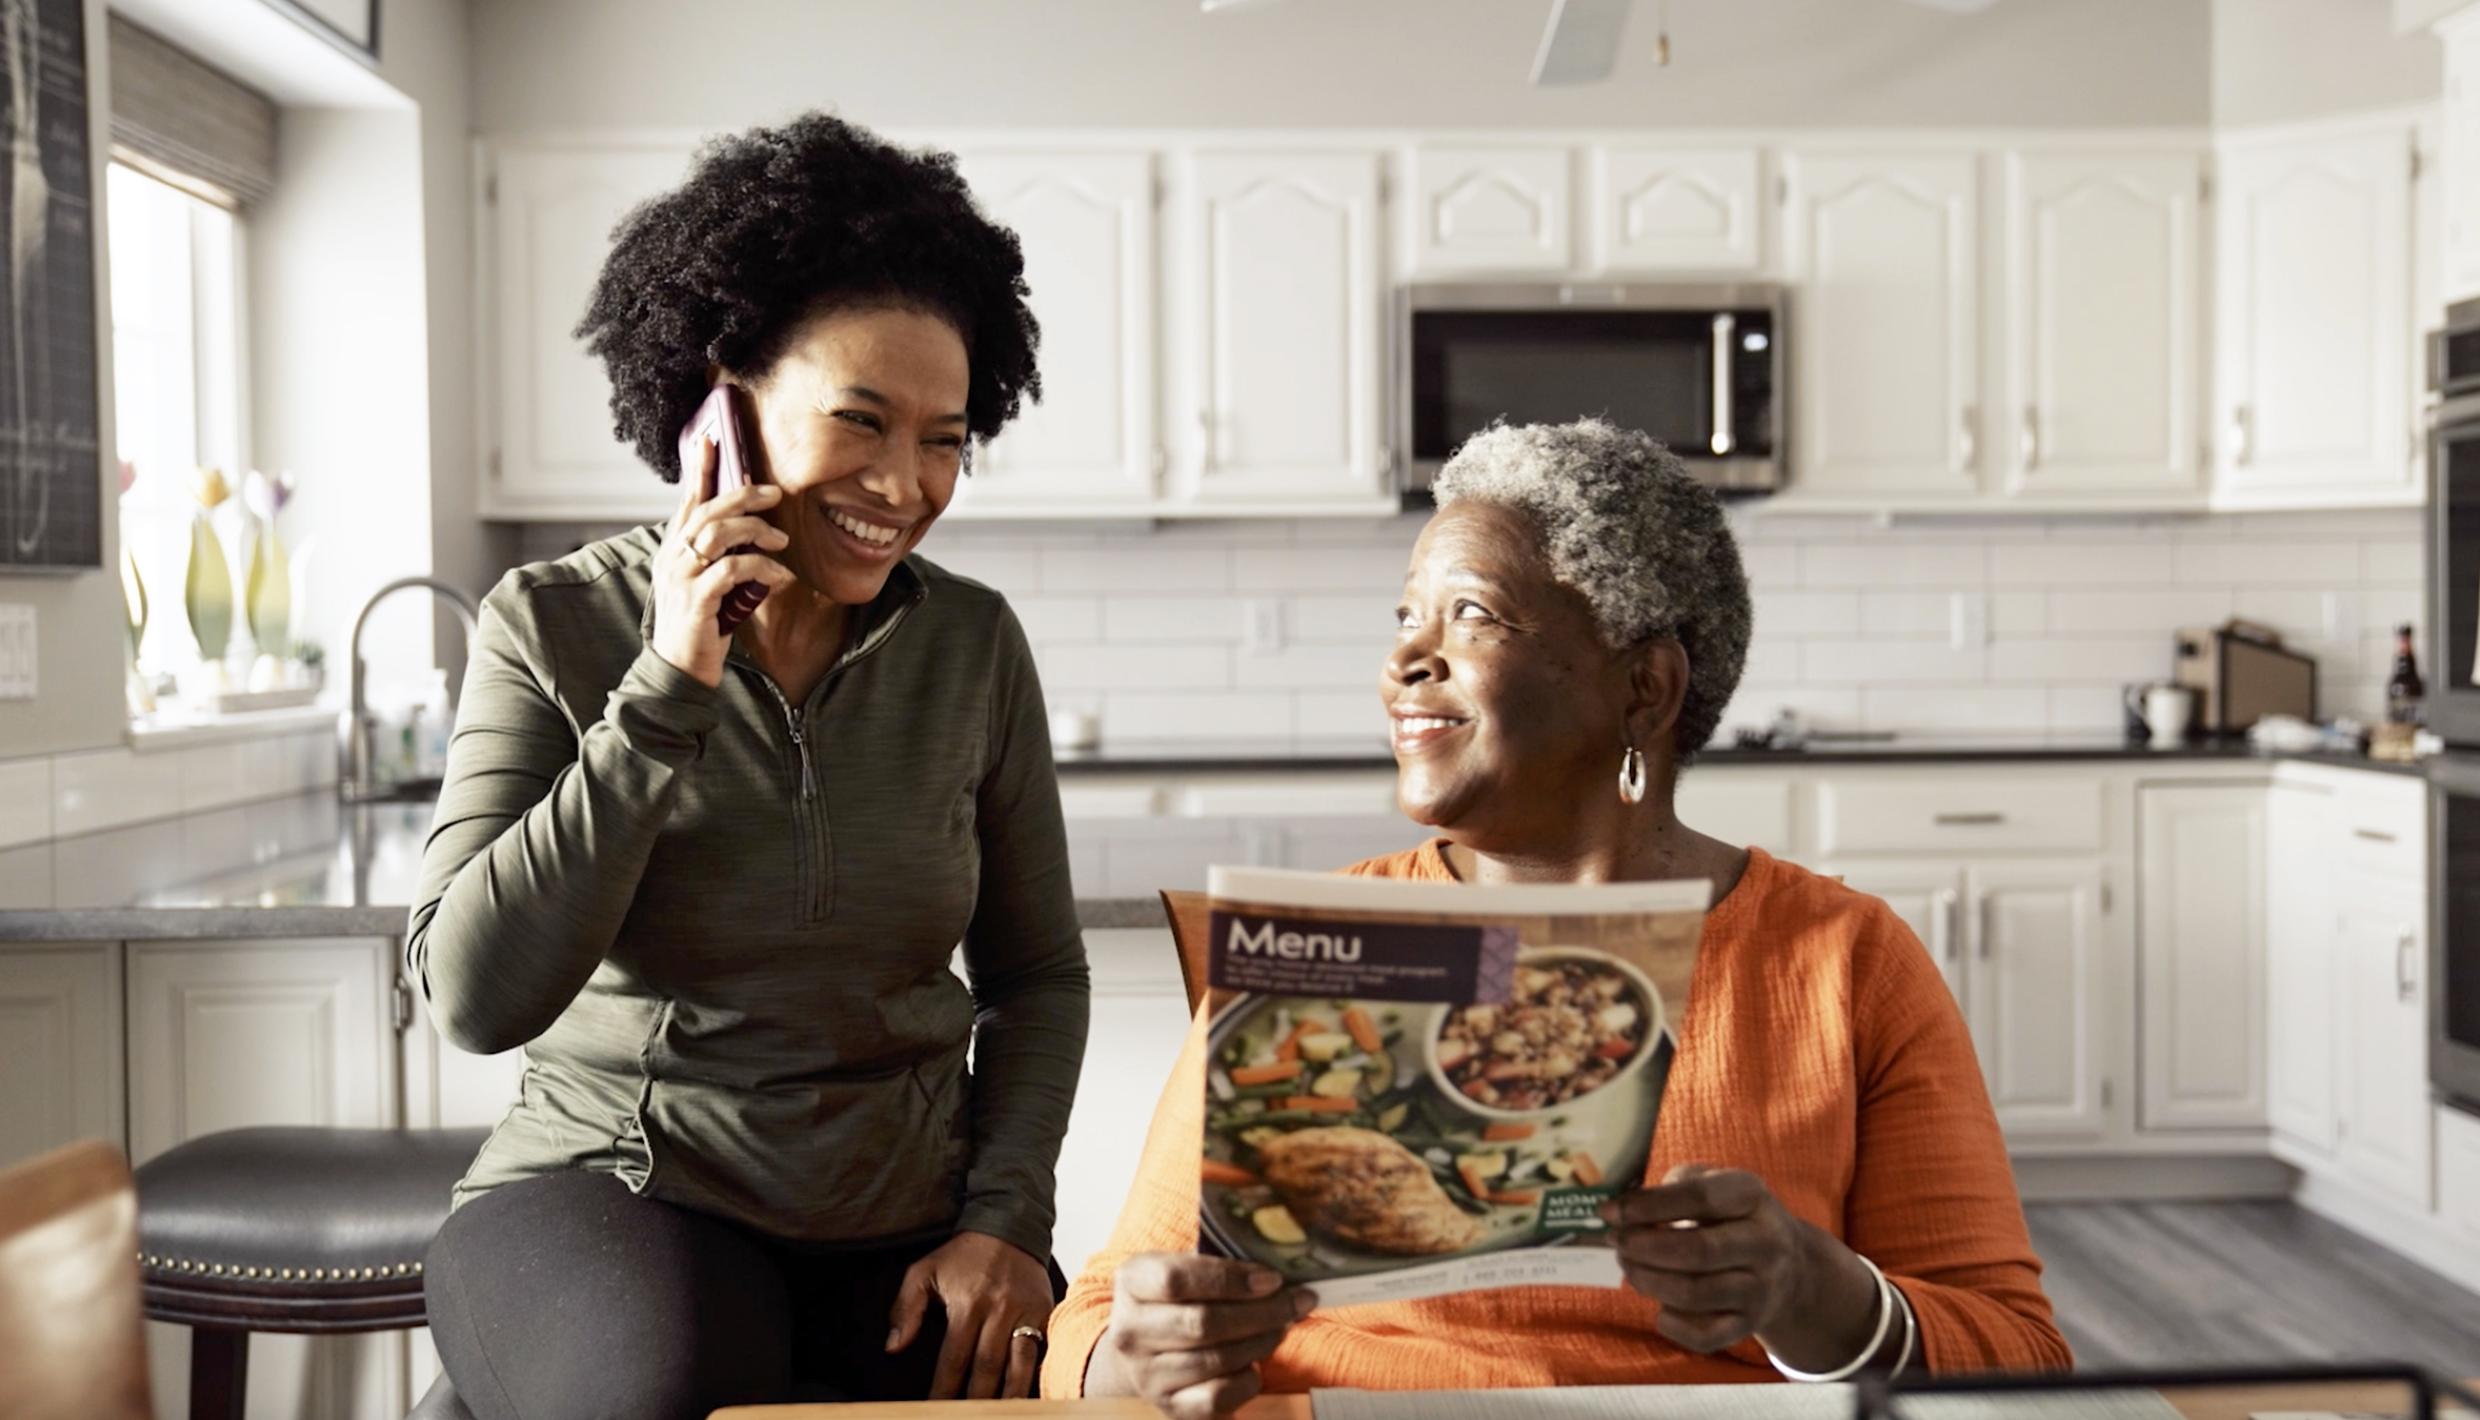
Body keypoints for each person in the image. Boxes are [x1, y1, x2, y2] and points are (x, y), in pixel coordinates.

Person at [1044, 419, 2070, 1418]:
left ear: (1645, 687)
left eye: (1473, 616)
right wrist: (1140, 1358)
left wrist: (1813, 1290)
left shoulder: (1841, 958)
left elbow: (2017, 1354)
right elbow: (1089, 1325)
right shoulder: (1319, 946)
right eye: (1406, 618)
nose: (1407, 660)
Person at [408, 113, 1088, 1418]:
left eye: (945, 436)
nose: (905, 482)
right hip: (615, 1198)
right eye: (862, 421)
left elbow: (1036, 974)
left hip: (905, 1226)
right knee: (662, 1384)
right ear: (726, 403)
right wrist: (670, 678)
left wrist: (1006, 1221)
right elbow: (477, 999)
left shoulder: (972, 645)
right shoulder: (552, 623)